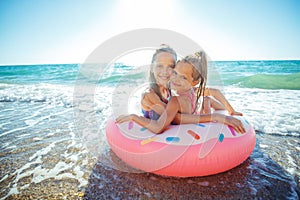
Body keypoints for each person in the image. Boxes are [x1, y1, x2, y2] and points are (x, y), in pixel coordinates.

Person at [116, 51, 245, 134]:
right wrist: (217, 117)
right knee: (206, 100)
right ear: (152, 67)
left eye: (171, 67)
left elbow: (214, 93)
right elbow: (175, 118)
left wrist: (231, 112)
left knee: (207, 99)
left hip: (187, 115)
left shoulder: (177, 91)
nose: (166, 72)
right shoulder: (150, 95)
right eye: (160, 66)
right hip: (157, 117)